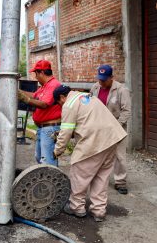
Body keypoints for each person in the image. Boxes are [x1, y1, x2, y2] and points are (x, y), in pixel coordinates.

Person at [53, 86, 127, 222]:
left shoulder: (69, 104)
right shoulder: (88, 97)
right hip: (112, 138)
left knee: (79, 172)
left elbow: (66, 132)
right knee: (101, 176)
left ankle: (77, 207)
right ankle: (98, 211)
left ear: (62, 97)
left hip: (95, 140)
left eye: (58, 103)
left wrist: (57, 151)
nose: (60, 105)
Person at [90, 65, 131, 195]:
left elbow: (126, 111)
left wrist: (117, 126)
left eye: (104, 80)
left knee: (119, 156)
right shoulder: (95, 87)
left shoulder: (121, 90)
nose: (101, 82)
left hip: (117, 127)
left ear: (112, 77)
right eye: (99, 79)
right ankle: (100, 177)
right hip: (99, 127)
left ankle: (120, 182)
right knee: (99, 153)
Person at [18, 60, 62, 166]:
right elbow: (34, 96)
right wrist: (18, 91)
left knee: (48, 161)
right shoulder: (44, 86)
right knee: (39, 157)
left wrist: (25, 99)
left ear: (41, 72)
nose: (35, 77)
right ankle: (49, 178)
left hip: (50, 128)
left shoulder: (53, 85)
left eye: (36, 74)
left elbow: (44, 104)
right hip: (43, 128)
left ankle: (51, 181)